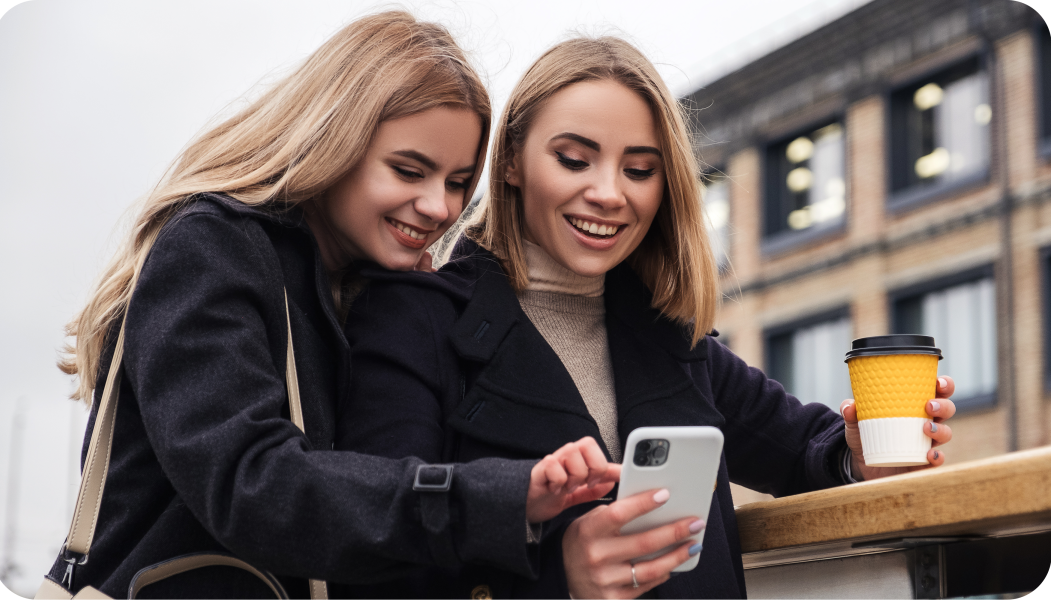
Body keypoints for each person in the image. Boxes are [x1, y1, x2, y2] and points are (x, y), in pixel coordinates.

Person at [338, 36, 958, 599]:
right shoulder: (414, 321)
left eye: (639, 169)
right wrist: (560, 580)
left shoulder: (670, 334)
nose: (610, 193)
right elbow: (377, 558)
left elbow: (801, 448)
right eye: (574, 160)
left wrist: (856, 454)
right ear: (511, 164)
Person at [48, 13, 617, 599]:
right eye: (409, 170)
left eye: (456, 183)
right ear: (334, 138)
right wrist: (493, 499)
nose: (437, 207)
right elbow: (253, 484)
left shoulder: (361, 286)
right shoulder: (214, 247)